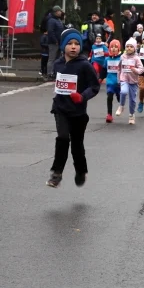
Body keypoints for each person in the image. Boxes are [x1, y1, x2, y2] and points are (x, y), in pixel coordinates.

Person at [47, 29, 100, 188]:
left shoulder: (85, 65)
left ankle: (81, 171)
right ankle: (56, 174)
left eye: (77, 44)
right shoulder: (58, 64)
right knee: (63, 138)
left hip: (78, 112)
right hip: (60, 108)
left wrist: (82, 96)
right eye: (69, 43)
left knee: (77, 145)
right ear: (63, 46)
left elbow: (94, 86)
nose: (73, 47)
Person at [116, 38, 144, 124]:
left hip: (133, 81)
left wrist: (135, 70)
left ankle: (131, 115)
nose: (128, 48)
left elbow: (141, 69)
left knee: (132, 100)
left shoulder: (136, 58)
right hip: (124, 79)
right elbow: (119, 68)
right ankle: (121, 106)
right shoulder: (122, 57)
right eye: (127, 46)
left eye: (131, 47)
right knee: (123, 92)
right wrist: (118, 78)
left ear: (135, 48)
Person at [104, 40, 122, 123]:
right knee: (109, 96)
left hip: (119, 82)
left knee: (120, 98)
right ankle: (109, 115)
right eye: (112, 47)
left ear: (118, 49)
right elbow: (103, 70)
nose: (114, 49)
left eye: (115, 47)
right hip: (110, 81)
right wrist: (100, 79)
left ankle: (120, 100)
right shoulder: (107, 59)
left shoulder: (121, 58)